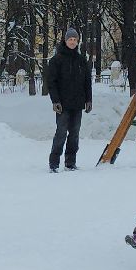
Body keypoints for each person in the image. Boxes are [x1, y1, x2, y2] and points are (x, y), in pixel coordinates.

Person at [47, 27, 92, 172]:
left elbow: (87, 82)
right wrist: (55, 101)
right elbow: (51, 82)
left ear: (78, 41)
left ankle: (70, 162)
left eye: (75, 40)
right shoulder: (57, 60)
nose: (72, 42)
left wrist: (88, 100)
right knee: (61, 133)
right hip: (62, 104)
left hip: (77, 104)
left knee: (75, 134)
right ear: (65, 41)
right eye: (70, 39)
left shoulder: (81, 60)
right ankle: (54, 163)